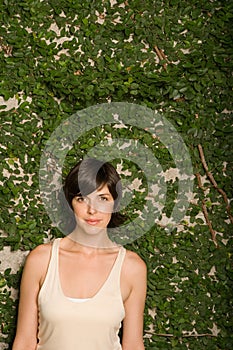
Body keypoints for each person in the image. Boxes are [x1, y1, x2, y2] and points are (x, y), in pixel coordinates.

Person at [12, 158, 147, 350]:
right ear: (70, 204)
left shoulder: (132, 267)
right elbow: (25, 342)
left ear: (115, 203)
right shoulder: (41, 259)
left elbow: (133, 344)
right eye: (82, 199)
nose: (92, 210)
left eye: (103, 198)